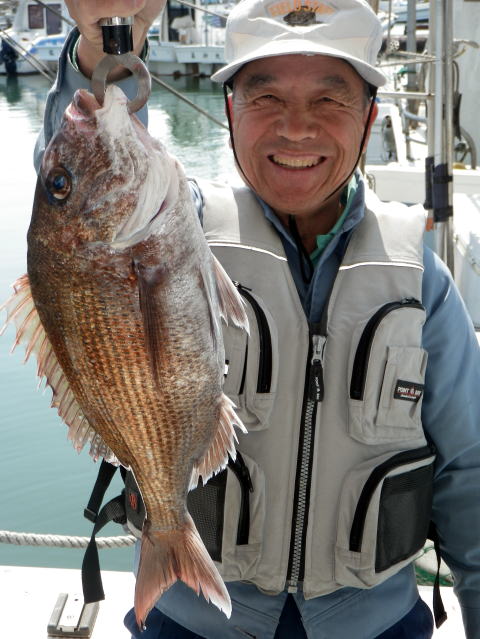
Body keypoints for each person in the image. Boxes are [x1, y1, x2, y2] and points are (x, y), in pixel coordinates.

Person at [35, 1, 480, 637]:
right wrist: (101, 49)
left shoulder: (422, 282)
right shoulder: (180, 227)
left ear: (370, 116)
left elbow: (470, 476)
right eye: (265, 97)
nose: (296, 129)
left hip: (377, 625)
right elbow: (74, 195)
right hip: (191, 622)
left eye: (330, 99)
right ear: (230, 112)